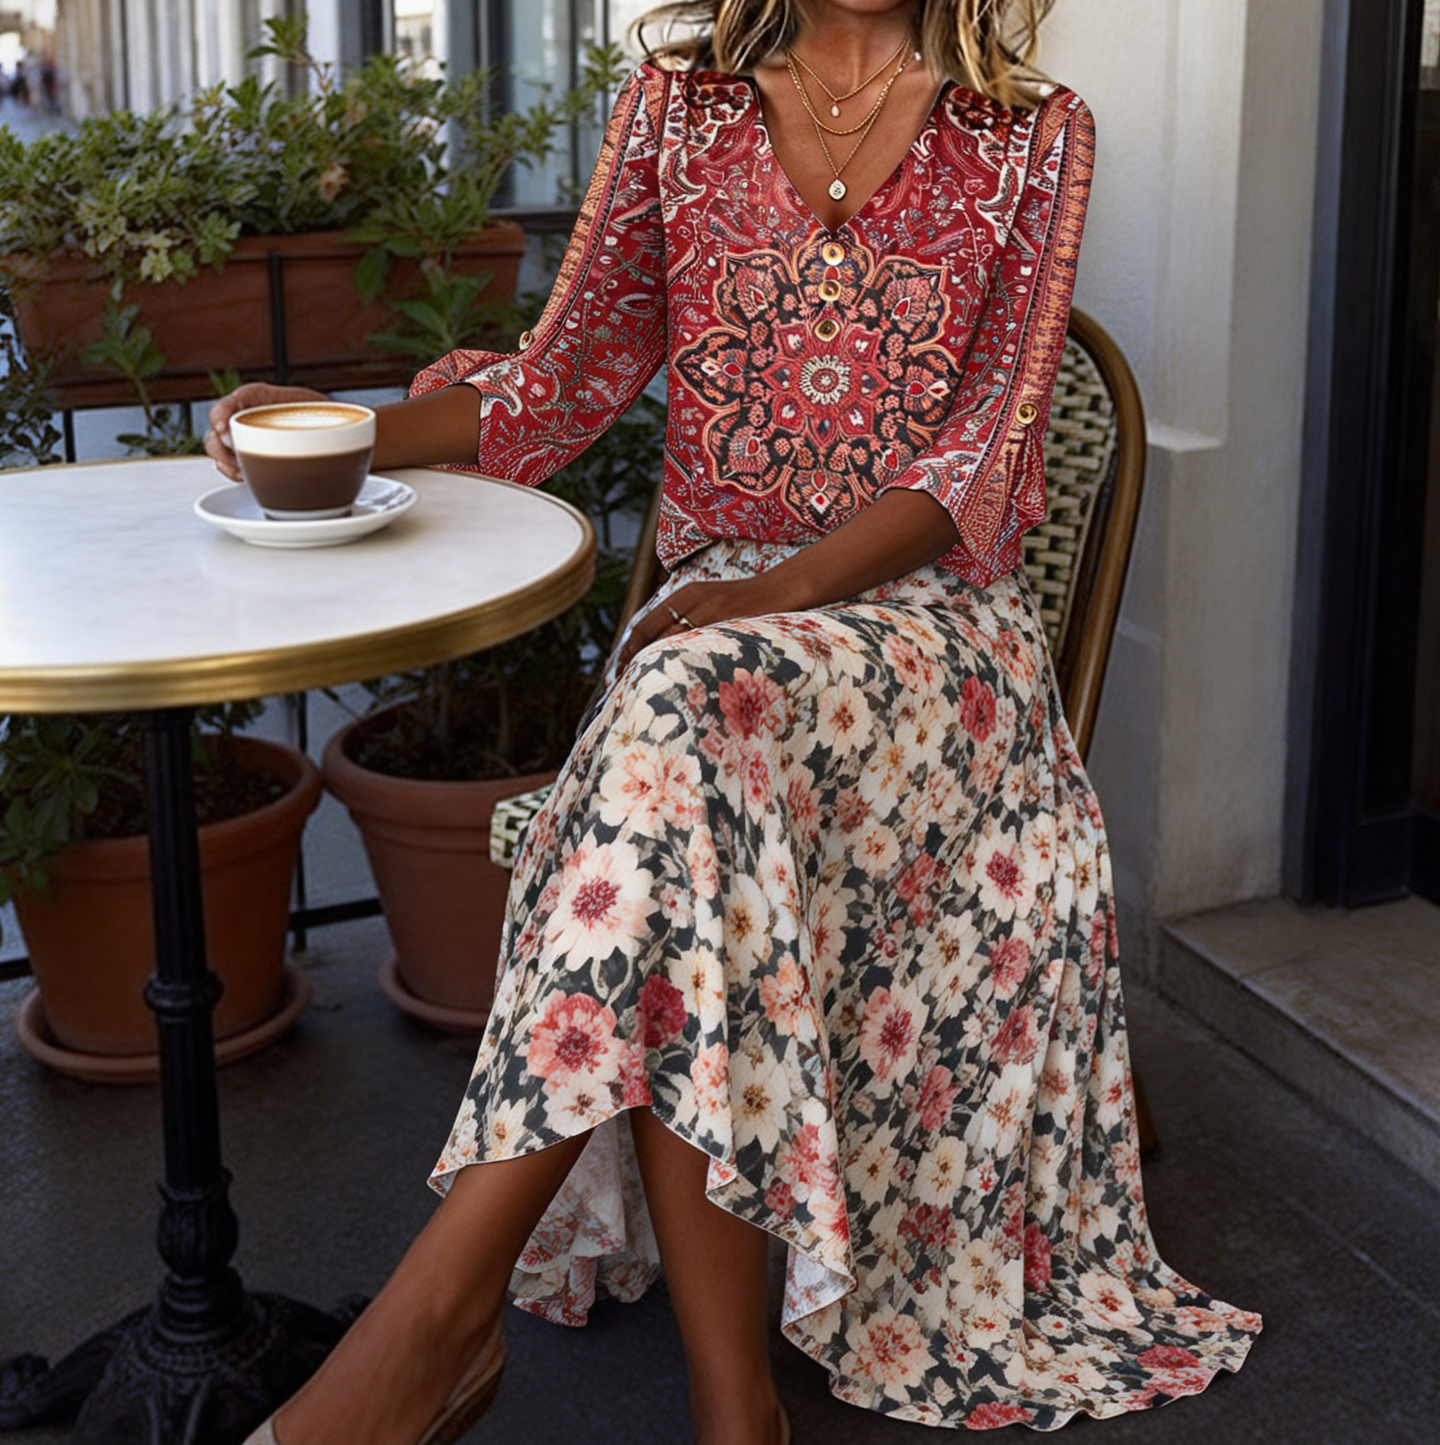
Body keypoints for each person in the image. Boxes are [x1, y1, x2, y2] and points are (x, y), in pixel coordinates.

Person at [211, 1, 1262, 1440]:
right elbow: (565, 375)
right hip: (724, 648)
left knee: (678, 721)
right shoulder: (681, 108)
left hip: (932, 645)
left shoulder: (1035, 136)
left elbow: (987, 453)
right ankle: (726, 1406)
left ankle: (439, 1323)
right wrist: (331, 433)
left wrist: (787, 585)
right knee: (686, 761)